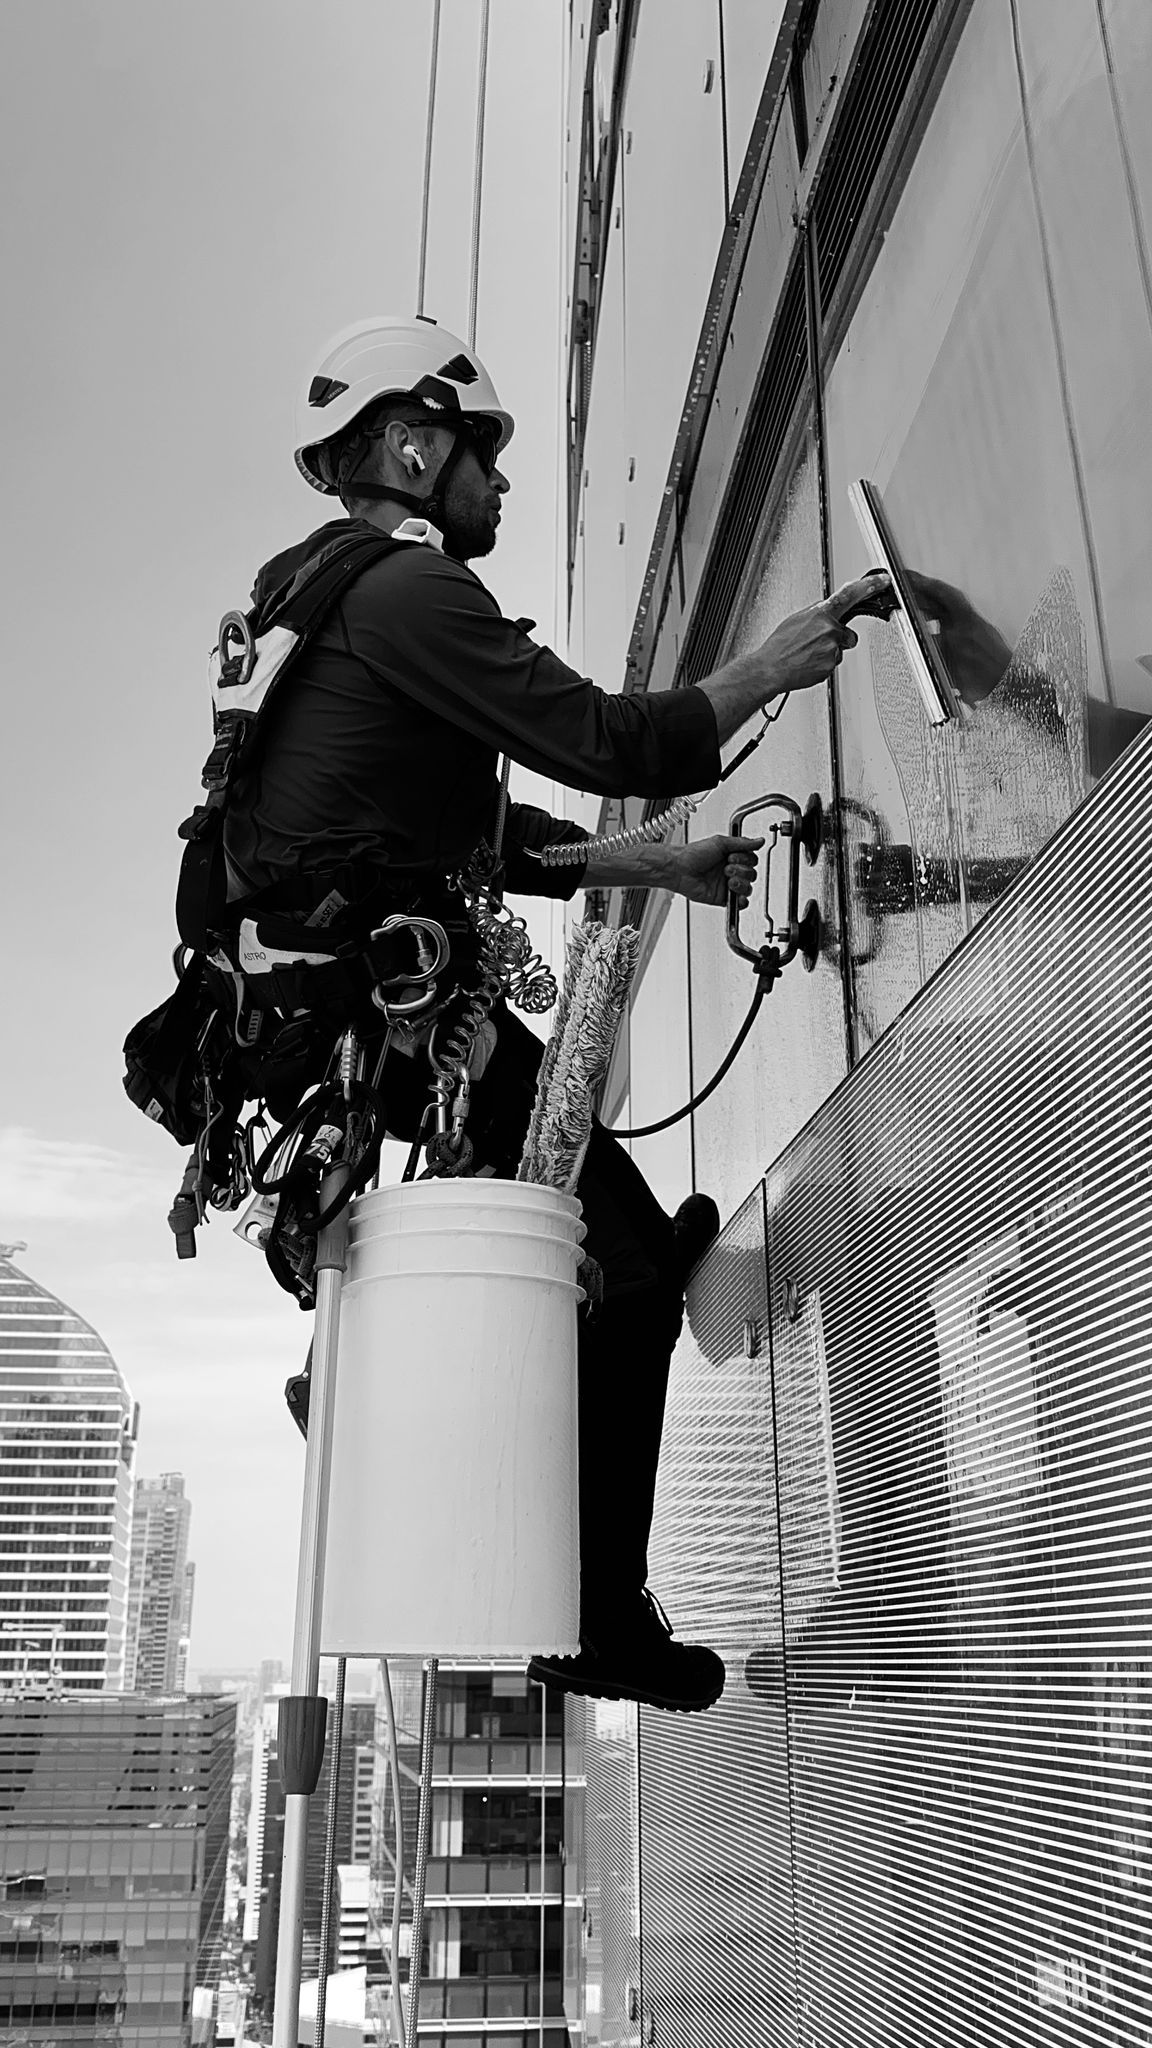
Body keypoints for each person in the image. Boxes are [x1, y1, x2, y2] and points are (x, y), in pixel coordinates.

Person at [223, 315, 891, 1714]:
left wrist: (651, 861)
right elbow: (606, 740)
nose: (503, 488)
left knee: (604, 1230)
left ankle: (583, 1273)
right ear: (412, 446)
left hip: (359, 1013)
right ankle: (589, 1616)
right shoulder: (406, 597)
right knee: (625, 1271)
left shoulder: (339, 601)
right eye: (485, 455)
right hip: (389, 1021)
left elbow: (481, 838)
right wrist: (763, 667)